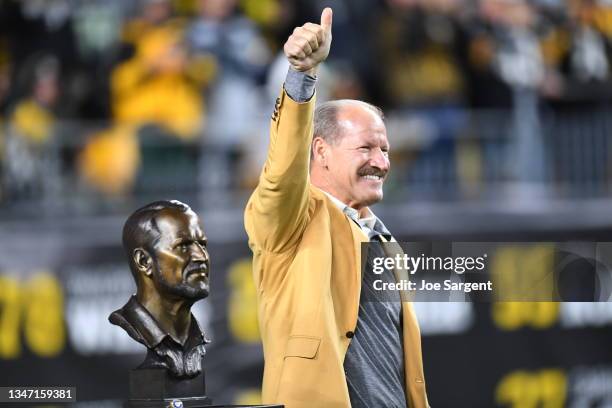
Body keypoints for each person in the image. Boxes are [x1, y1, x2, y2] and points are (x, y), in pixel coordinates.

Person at [244, 8, 429, 408]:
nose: (380, 162)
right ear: (321, 151)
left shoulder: (383, 240)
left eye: (384, 149)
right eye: (366, 147)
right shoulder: (290, 223)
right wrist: (302, 77)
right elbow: (281, 171)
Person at [109, 200, 210, 378]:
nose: (201, 256)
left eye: (202, 244)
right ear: (144, 262)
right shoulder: (128, 334)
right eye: (183, 246)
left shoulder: (197, 339)